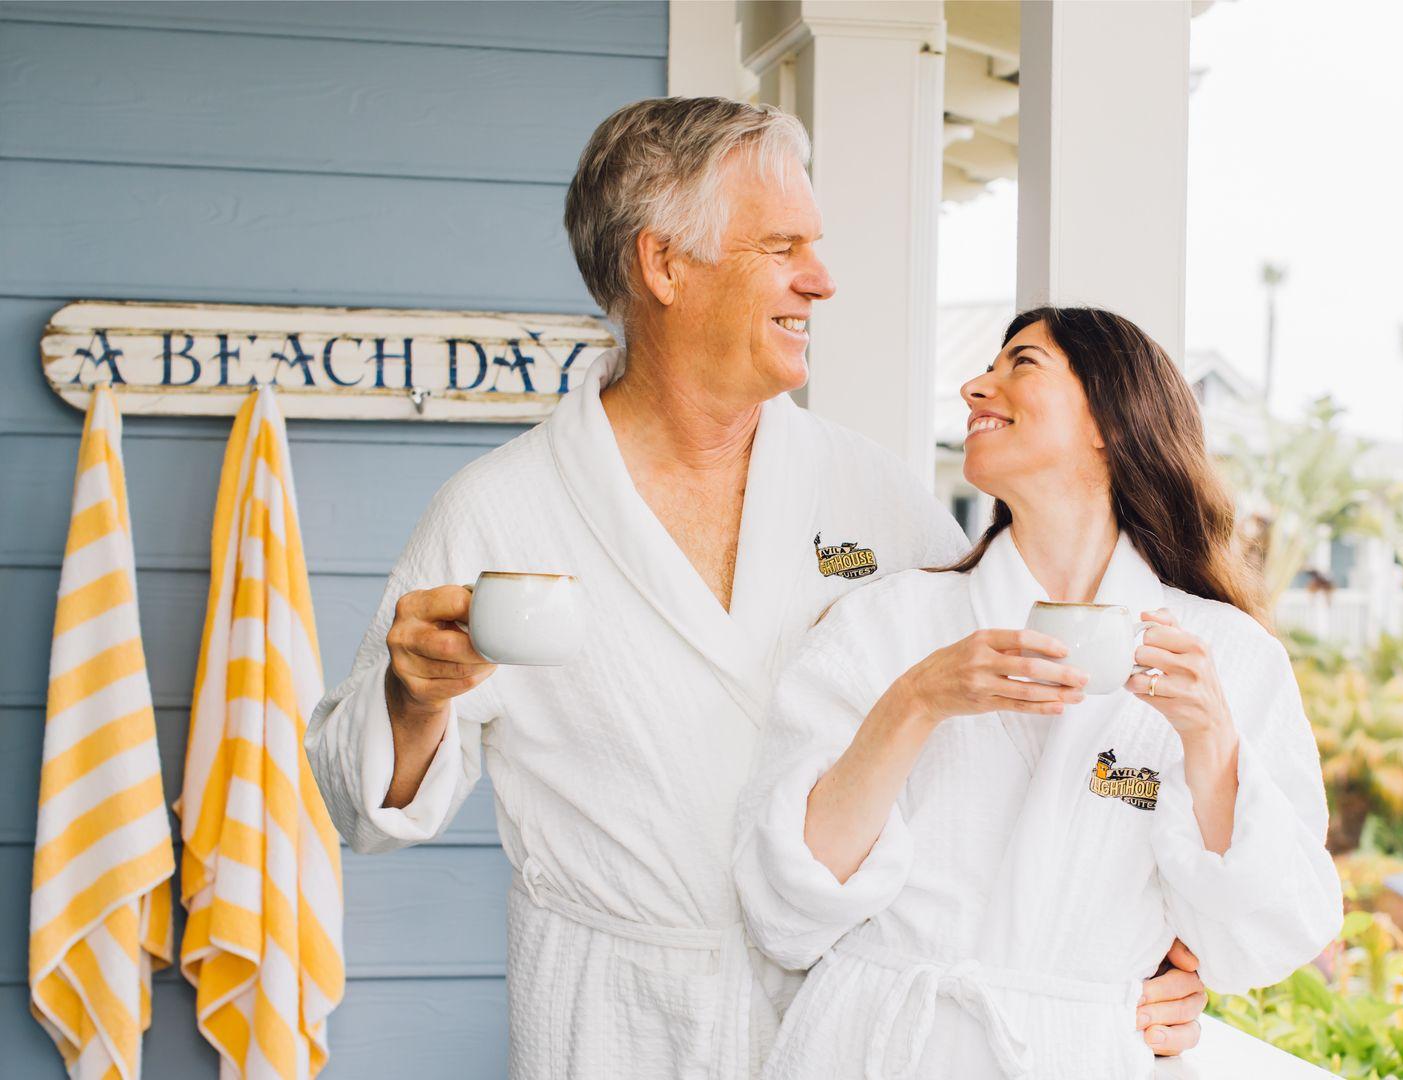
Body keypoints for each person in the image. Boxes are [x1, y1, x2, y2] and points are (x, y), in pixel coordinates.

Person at [304, 97, 1207, 1079]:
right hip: (615, 1022)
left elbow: (1021, 736)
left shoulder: (876, 494)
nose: (820, 281)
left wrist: (1138, 957)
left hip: (844, 1021)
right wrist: (412, 697)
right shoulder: (500, 509)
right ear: (662, 265)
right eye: (782, 248)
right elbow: (362, 812)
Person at [735, 307, 1344, 1079]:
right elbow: (783, 907)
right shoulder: (888, 623)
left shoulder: (1227, 659)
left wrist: (1212, 746)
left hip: (1080, 1054)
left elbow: (1265, 939)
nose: (975, 386)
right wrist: (917, 701)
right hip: (879, 1046)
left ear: (1112, 421)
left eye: (1022, 363)